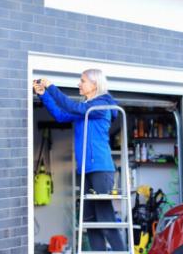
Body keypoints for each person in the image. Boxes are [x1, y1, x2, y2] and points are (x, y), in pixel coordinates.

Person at [33, 69, 125, 251]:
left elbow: (73, 107)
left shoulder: (101, 106)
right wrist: (44, 95)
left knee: (104, 217)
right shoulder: (86, 110)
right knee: (89, 219)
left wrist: (51, 86)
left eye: (82, 81)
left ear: (94, 85)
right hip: (85, 170)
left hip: (101, 169)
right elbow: (61, 115)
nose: (79, 84)